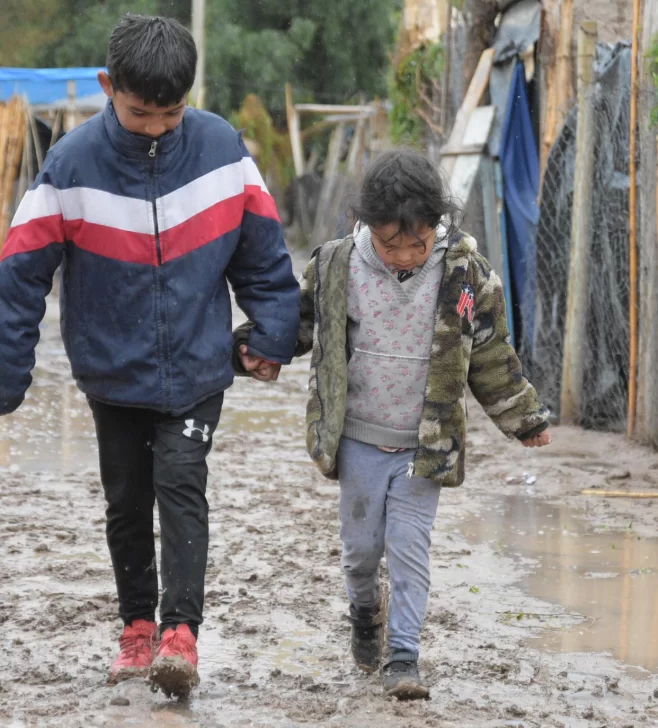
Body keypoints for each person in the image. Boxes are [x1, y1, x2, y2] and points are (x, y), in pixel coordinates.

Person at [0, 14, 298, 699]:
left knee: (182, 487)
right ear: (109, 87)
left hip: (198, 367)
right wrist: (7, 373)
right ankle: (136, 628)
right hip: (111, 371)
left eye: (172, 112)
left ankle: (179, 636)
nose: (159, 126)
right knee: (128, 503)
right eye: (141, 113)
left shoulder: (222, 151)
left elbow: (263, 253)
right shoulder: (69, 165)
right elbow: (19, 273)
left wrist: (273, 334)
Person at [237, 149, 551, 700]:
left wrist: (523, 418)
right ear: (365, 227)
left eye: (418, 242)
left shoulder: (464, 273)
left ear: (437, 225)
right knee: (361, 552)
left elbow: (490, 354)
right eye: (390, 244)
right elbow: (301, 323)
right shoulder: (337, 264)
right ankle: (364, 612)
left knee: (409, 548)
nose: (405, 254)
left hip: (423, 445)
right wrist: (257, 349)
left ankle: (404, 655)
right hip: (357, 436)